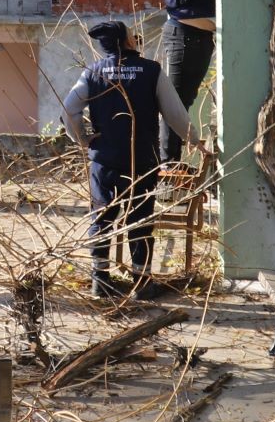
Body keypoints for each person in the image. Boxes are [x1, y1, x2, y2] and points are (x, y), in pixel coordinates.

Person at [62, 20, 196, 300]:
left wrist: (84, 139)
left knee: (102, 217)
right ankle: (142, 282)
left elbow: (69, 110)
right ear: (127, 41)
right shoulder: (151, 71)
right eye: (132, 36)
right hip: (141, 160)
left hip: (104, 160)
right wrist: (195, 140)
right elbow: (175, 115)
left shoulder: (92, 73)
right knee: (140, 218)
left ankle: (101, 280)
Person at [159, 0, 216, 166]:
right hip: (183, 35)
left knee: (184, 101)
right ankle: (169, 166)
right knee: (176, 104)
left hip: (201, 37)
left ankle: (171, 162)